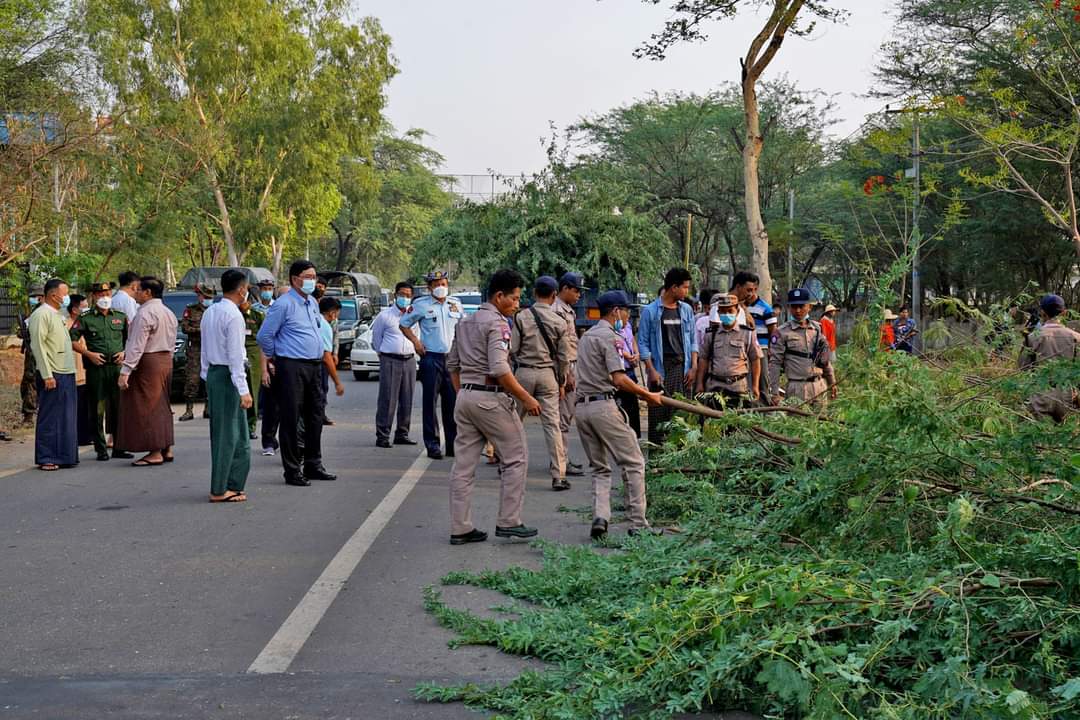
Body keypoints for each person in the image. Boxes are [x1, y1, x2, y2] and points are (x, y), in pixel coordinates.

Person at [446, 269, 542, 546]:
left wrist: (465, 392)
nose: (517, 304)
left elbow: (452, 365)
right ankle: (509, 521)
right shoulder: (499, 325)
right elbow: (500, 369)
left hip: (465, 396)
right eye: (513, 298)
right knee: (516, 457)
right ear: (499, 297)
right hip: (490, 398)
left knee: (463, 466)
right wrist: (526, 397)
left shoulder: (464, 322)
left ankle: (460, 527)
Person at [575, 290, 665, 539]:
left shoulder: (587, 337)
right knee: (634, 462)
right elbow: (619, 378)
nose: (627, 317)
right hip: (603, 406)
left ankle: (600, 517)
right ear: (616, 311)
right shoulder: (610, 337)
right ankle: (638, 524)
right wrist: (646, 394)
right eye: (626, 312)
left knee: (600, 468)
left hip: (581, 408)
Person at [256, 260, 336, 487]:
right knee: (291, 418)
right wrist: (275, 357)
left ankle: (313, 464)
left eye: (314, 276)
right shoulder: (283, 304)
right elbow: (264, 336)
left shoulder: (311, 302)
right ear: (294, 279)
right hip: (291, 365)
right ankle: (292, 470)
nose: (313, 281)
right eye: (308, 276)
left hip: (313, 365)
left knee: (315, 416)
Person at [511, 275, 572, 491]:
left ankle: (508, 467)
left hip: (524, 374)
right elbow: (564, 358)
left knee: (514, 422)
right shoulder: (559, 321)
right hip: (548, 375)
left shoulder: (521, 317)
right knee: (553, 426)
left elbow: (513, 349)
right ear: (554, 295)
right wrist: (562, 381)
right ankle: (559, 475)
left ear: (535, 293)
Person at [200, 269, 254, 503]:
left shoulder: (211, 311)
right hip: (228, 375)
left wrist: (206, 376)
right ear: (241, 290)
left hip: (215, 373)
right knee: (227, 436)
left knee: (237, 434)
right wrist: (243, 389)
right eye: (247, 288)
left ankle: (232, 484)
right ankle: (220, 488)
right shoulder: (233, 316)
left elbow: (204, 349)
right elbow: (235, 356)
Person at [400, 270, 463, 460]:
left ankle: (453, 444)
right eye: (436, 285)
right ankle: (433, 444)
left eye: (443, 283)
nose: (440, 287)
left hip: (452, 360)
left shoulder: (455, 304)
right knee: (430, 403)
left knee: (453, 404)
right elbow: (404, 324)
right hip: (431, 358)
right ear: (429, 288)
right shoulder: (420, 305)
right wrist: (416, 342)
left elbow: (463, 328)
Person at [117, 276, 177, 466]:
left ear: (148, 293)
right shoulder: (168, 312)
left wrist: (126, 370)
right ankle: (166, 446)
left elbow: (136, 345)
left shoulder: (145, 313)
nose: (135, 293)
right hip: (165, 360)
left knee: (147, 406)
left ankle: (155, 451)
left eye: (138, 290)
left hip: (148, 361)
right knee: (162, 404)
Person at [71, 281, 131, 461]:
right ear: (93, 296)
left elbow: (130, 339)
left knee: (118, 408)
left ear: (111, 293)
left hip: (116, 368)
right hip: (96, 369)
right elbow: (72, 339)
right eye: (99, 294)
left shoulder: (120, 316)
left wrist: (124, 352)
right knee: (97, 409)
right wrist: (88, 354)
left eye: (106, 293)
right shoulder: (86, 318)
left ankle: (119, 447)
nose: (104, 297)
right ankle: (101, 449)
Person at [638, 267, 697, 446]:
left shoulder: (686, 310)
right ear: (673, 288)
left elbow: (693, 340)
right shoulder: (650, 311)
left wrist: (694, 366)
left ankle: (678, 461)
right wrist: (651, 370)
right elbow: (643, 343)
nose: (687, 291)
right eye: (685, 287)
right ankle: (656, 462)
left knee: (681, 417)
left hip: (683, 369)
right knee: (658, 418)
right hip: (661, 370)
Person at [28, 278, 79, 471]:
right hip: (52, 372)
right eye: (64, 293)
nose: (66, 297)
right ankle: (47, 456)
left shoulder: (57, 314)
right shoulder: (41, 315)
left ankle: (65, 455)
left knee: (66, 416)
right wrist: (47, 374)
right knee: (50, 417)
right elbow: (38, 346)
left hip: (66, 370)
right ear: (53, 294)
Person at [769, 288, 837, 408]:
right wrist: (774, 392)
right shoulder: (781, 332)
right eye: (794, 307)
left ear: (809, 307)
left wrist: (832, 382)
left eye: (801, 306)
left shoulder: (817, 329)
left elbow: (825, 360)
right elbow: (775, 363)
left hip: (819, 385)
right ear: (789, 308)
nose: (798, 310)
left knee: (821, 424)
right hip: (797, 389)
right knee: (798, 425)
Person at [1018, 294, 1080, 422]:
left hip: (1041, 395)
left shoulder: (1033, 337)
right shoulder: (1076, 337)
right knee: (1067, 438)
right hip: (1067, 396)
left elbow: (1023, 367)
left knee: (1035, 438)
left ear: (1042, 313)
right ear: (1064, 313)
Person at [694, 292, 762, 408]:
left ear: (737, 311)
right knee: (713, 423)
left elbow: (755, 360)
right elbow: (703, 359)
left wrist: (755, 386)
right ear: (718, 312)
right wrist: (699, 383)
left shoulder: (748, 334)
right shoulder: (711, 334)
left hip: (738, 387)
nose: (726, 314)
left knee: (737, 423)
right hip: (715, 386)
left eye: (730, 311)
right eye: (723, 311)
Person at [371, 281, 417, 448]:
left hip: (410, 360)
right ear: (395, 295)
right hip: (390, 359)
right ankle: (383, 435)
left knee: (407, 398)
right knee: (388, 399)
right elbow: (376, 339)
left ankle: (402, 433)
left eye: (408, 295)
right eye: (402, 295)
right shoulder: (385, 316)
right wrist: (383, 354)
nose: (405, 298)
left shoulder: (414, 315)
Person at [552, 272, 588, 476]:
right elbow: (561, 347)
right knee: (562, 418)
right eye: (576, 291)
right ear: (564, 289)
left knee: (563, 418)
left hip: (569, 365)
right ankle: (560, 462)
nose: (579, 296)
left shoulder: (566, 310)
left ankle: (560, 459)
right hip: (564, 368)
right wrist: (567, 375)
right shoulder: (557, 311)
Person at [731, 271, 777, 401]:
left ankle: (764, 408)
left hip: (760, 349)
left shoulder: (765, 308)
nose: (750, 293)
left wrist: (771, 350)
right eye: (748, 290)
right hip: (743, 349)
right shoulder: (737, 306)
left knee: (761, 381)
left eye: (753, 290)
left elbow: (774, 332)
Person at [179, 282, 216, 421]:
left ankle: (208, 408)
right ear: (199, 296)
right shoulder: (191, 309)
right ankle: (189, 410)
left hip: (211, 348)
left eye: (209, 297)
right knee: (192, 379)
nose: (207, 299)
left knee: (209, 379)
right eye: (205, 296)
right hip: (195, 348)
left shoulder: (215, 310)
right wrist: (200, 331)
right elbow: (184, 328)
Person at [64, 294, 94, 448]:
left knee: (86, 406)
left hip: (87, 371)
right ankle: (76, 436)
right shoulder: (66, 325)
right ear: (75, 310)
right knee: (76, 407)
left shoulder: (87, 322)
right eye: (84, 306)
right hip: (74, 372)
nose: (87, 309)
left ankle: (87, 435)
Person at [239, 292, 266, 440]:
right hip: (237, 350)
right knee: (238, 390)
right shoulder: (234, 313)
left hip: (254, 352)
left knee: (252, 390)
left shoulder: (258, 315)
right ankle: (239, 425)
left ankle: (251, 426)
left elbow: (264, 338)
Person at [614, 303, 642, 438]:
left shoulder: (628, 325)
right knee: (621, 405)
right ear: (617, 312)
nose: (629, 315)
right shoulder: (614, 329)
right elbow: (615, 345)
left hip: (630, 369)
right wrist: (627, 356)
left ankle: (635, 435)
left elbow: (632, 341)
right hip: (621, 370)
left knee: (633, 405)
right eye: (626, 311)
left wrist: (636, 354)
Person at [19, 283, 45, 425]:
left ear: (41, 297)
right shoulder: (36, 312)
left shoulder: (41, 313)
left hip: (35, 353)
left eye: (35, 296)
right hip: (32, 352)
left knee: (31, 383)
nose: (33, 299)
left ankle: (29, 416)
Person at [318, 296, 346, 414]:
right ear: (332, 313)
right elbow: (326, 357)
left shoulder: (314, 319)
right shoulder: (324, 326)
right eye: (337, 312)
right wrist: (337, 382)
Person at [692, 287, 718, 379]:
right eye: (706, 308)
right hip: (701, 358)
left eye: (710, 308)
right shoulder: (698, 319)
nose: (708, 311)